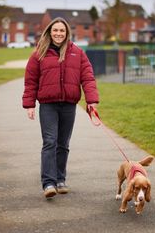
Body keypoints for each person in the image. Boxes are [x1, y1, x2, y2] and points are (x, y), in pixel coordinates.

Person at [22, 17, 99, 198]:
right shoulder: (39, 53)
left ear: (67, 33)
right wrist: (29, 104)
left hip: (68, 105)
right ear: (49, 32)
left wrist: (91, 100)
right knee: (50, 142)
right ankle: (48, 183)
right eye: (55, 30)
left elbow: (87, 77)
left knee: (63, 144)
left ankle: (60, 179)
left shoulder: (77, 52)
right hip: (48, 105)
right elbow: (30, 80)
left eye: (62, 31)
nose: (58, 34)